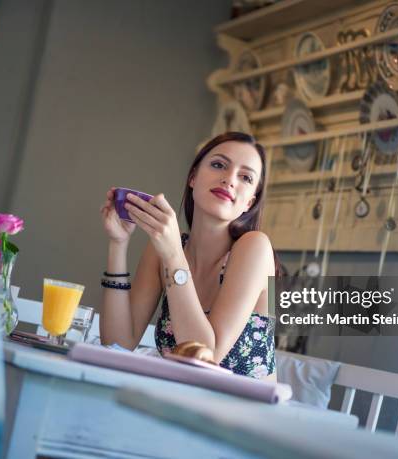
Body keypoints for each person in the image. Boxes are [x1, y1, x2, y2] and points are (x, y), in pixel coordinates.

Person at [99, 132, 277, 379]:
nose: (229, 180)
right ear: (193, 177)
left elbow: (207, 356)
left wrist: (173, 256)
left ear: (249, 202)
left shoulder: (254, 248)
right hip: (179, 404)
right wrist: (118, 244)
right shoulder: (165, 248)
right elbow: (117, 343)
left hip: (244, 414)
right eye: (218, 165)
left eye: (245, 177)